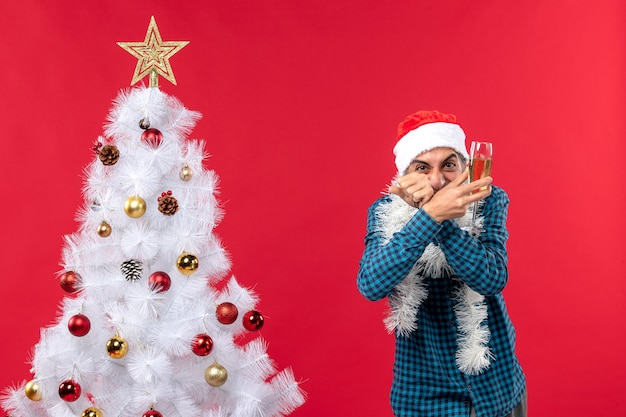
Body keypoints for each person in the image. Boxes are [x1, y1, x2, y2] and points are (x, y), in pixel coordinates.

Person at [357, 110, 526, 417]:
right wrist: (429, 217)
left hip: (497, 389)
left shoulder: (489, 199)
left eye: (449, 164)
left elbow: (492, 278)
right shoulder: (383, 210)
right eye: (422, 167)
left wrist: (439, 220)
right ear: (403, 175)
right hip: (424, 396)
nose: (436, 179)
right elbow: (370, 284)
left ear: (465, 166)